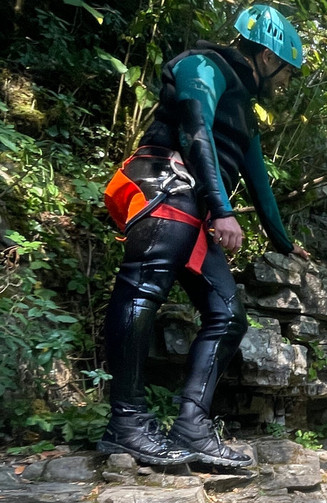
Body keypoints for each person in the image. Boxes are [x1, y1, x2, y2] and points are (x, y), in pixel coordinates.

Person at [97, 5, 309, 467]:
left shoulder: (244, 112)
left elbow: (260, 183)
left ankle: (191, 428)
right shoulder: (202, 66)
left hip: (195, 206)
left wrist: (284, 242)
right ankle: (126, 424)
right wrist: (223, 209)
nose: (286, 83)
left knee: (228, 316)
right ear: (268, 57)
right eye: (287, 72)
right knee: (143, 291)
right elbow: (196, 130)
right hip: (165, 188)